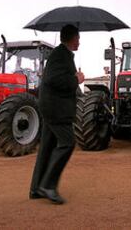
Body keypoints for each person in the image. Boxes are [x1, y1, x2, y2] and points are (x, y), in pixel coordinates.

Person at [30, 24, 84, 205]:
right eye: (78, 38)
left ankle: (36, 188)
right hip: (56, 109)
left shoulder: (62, 54)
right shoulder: (60, 55)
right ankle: (48, 185)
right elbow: (54, 80)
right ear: (71, 38)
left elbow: (55, 78)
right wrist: (76, 79)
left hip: (52, 107)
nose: (79, 42)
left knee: (47, 147)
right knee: (68, 142)